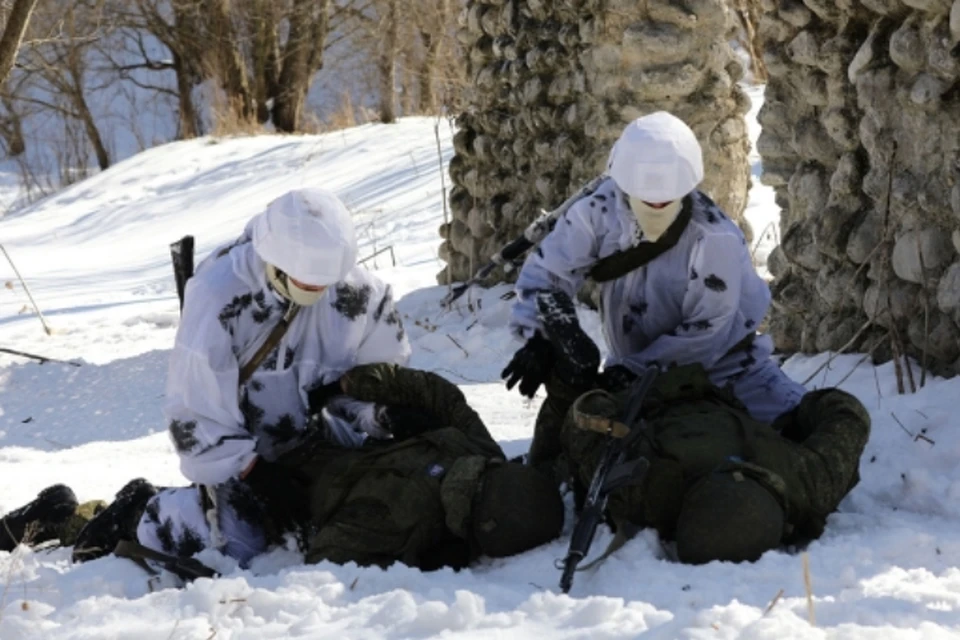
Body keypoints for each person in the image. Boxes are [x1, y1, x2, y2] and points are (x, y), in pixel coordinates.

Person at [3, 364, 563, 574]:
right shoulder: (413, 517)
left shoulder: (475, 447)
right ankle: (96, 521)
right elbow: (326, 559)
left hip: (295, 464)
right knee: (161, 524)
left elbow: (434, 389)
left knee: (192, 511)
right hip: (290, 474)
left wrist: (362, 388)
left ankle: (81, 513)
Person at [502, 111, 806, 469]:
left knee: (790, 445)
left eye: (667, 199)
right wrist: (538, 336)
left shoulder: (713, 236)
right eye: (646, 198)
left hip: (728, 374)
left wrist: (635, 370)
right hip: (628, 375)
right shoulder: (598, 212)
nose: (657, 207)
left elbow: (708, 329)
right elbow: (547, 273)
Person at [136, 187, 412, 565]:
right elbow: (193, 408)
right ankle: (150, 511)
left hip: (321, 438)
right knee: (242, 550)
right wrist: (252, 471)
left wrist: (381, 415)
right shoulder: (219, 295)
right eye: (305, 283)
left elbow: (376, 378)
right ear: (275, 260)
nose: (317, 291)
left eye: (324, 283)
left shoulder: (362, 295)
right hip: (243, 453)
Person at [563, 362, 870, 565]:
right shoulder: (807, 481)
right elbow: (847, 412)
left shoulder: (643, 489)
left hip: (647, 388)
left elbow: (580, 424)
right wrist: (795, 419)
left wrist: (619, 399)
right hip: (718, 378)